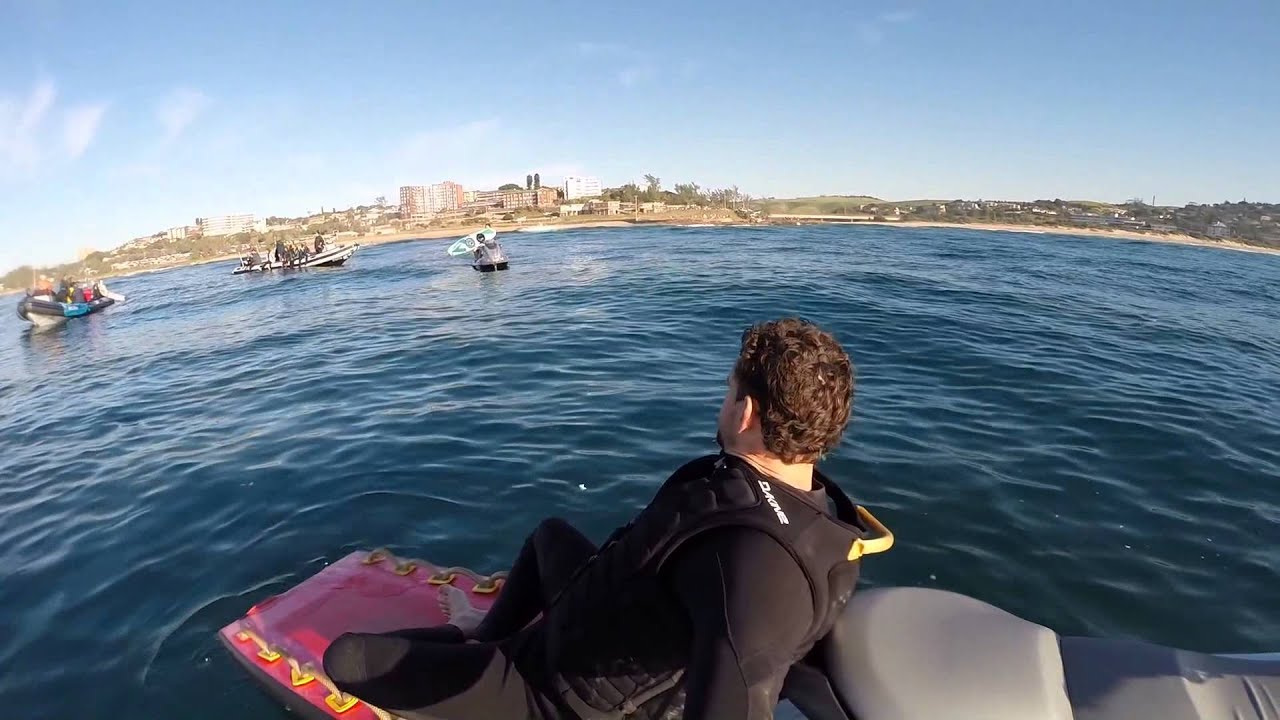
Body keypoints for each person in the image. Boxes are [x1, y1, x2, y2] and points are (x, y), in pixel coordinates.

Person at [322, 318, 884, 720]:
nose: (722, 402)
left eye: (727, 392)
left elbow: (735, 693)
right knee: (550, 536)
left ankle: (472, 653)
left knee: (345, 658)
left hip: (556, 696)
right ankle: (481, 632)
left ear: (746, 412)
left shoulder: (756, 566)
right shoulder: (802, 501)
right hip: (595, 622)